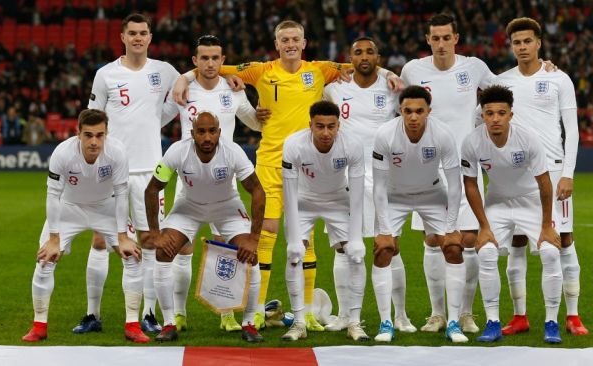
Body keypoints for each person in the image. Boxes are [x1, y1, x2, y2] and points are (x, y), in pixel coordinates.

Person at [171, 19, 403, 331]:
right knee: (265, 234)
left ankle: (305, 311)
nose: (290, 44)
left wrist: (390, 75)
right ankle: (253, 312)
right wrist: (183, 80)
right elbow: (215, 69)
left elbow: (362, 64)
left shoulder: (320, 69)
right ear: (277, 44)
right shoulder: (260, 71)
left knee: (304, 238)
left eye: (295, 39)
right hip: (270, 163)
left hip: (309, 168)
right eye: (285, 39)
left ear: (304, 43)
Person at [83, 13, 180, 335]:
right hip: (111, 171)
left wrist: (156, 118)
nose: (138, 38)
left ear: (151, 37)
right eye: (132, 33)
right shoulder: (106, 74)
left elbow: (187, 88)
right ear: (123, 37)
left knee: (150, 241)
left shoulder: (164, 71)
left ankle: (148, 314)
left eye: (143, 33)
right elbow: (93, 118)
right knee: (100, 241)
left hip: (151, 173)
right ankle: (92, 315)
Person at [399, 13, 496, 333]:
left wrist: (542, 67)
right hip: (427, 167)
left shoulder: (474, 67)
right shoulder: (413, 70)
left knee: (468, 241)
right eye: (435, 38)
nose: (440, 44)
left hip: (466, 166)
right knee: (433, 240)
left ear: (456, 38)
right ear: (428, 40)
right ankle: (437, 313)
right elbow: (393, 102)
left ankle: (465, 313)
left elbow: (506, 87)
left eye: (446, 38)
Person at [161, 34, 261, 333]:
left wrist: (263, 114)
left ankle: (227, 313)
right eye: (203, 58)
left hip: (225, 183)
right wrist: (181, 78)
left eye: (215, 57)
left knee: (228, 251)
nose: (210, 63)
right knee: (182, 250)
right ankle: (178, 315)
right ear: (195, 61)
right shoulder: (183, 89)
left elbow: (254, 122)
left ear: (223, 60)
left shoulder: (233, 90)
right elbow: (157, 117)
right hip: (188, 181)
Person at [493, 17, 587, 336]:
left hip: (554, 168)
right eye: (516, 42)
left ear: (539, 43)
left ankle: (572, 315)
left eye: (527, 41)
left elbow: (571, 130)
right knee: (518, 241)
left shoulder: (559, 79)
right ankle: (520, 316)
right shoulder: (501, 82)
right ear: (511, 46)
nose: (522, 47)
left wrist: (568, 173)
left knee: (563, 240)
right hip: (515, 173)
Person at [22, 109, 147, 343]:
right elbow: (52, 194)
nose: (94, 141)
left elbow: (121, 194)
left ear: (107, 133)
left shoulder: (117, 152)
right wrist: (54, 238)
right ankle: (39, 325)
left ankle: (132, 324)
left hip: (106, 207)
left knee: (132, 255)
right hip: (69, 208)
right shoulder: (63, 153)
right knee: (44, 259)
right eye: (88, 135)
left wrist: (122, 236)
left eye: (100, 135)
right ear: (77, 133)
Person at [143, 111, 266, 343]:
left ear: (219, 132)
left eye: (212, 131)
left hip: (227, 207)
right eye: (201, 132)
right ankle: (169, 323)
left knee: (251, 256)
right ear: (193, 134)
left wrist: (254, 237)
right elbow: (151, 189)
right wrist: (155, 233)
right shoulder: (178, 151)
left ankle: (249, 324)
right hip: (189, 206)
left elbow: (258, 191)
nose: (207, 137)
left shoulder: (232, 152)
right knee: (163, 252)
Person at [322, 37, 416, 333]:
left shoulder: (392, 88)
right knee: (343, 248)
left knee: (391, 246)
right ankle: (345, 315)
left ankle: (400, 315)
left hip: (384, 178)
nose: (364, 56)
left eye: (370, 51)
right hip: (345, 177)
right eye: (358, 51)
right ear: (349, 57)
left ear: (379, 56)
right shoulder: (334, 88)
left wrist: (391, 75)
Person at [461, 85, 564, 343]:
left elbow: (544, 182)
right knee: (485, 252)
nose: (495, 118)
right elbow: (470, 184)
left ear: (511, 115)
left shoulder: (527, 138)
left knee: (551, 252)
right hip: (497, 202)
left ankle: (552, 323)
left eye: (501, 113)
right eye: (490, 113)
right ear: (482, 115)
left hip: (530, 201)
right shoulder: (472, 141)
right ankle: (493, 322)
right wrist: (483, 226)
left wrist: (546, 226)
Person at [371, 86, 466, 343]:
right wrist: (383, 228)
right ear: (400, 111)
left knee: (454, 246)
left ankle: (453, 322)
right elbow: (378, 186)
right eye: (408, 111)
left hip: (432, 194)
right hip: (395, 195)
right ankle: (386, 322)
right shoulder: (385, 135)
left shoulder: (443, 134)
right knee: (383, 249)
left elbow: (455, 184)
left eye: (419, 111)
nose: (413, 117)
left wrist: (452, 225)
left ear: (429, 112)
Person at [280, 101, 368, 342]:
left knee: (356, 254)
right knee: (295, 254)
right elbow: (288, 192)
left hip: (340, 199)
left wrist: (357, 237)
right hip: (303, 200)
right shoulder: (293, 145)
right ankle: (299, 323)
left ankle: (354, 322)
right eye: (320, 126)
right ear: (310, 125)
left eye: (331, 126)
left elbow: (358, 192)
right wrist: (295, 238)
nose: (326, 132)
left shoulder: (352, 144)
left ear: (339, 125)